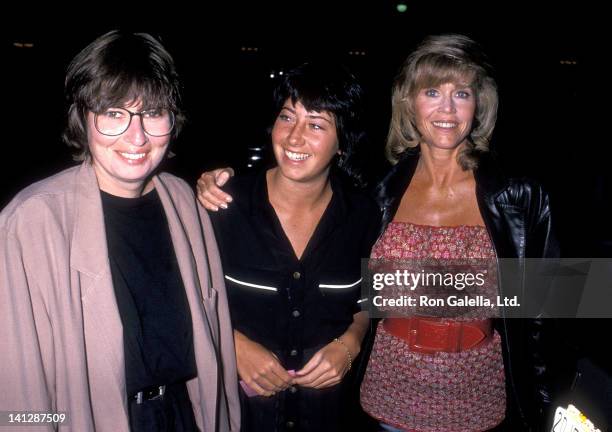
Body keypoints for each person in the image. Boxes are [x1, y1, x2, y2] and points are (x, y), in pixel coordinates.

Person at [0, 30, 239, 431]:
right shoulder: (30, 222)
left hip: (183, 414)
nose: (137, 135)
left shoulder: (184, 201)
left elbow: (214, 341)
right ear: (83, 119)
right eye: (114, 113)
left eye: (152, 113)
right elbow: (16, 395)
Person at [358, 34, 558, 432]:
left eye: (461, 93)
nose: (447, 109)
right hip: (387, 390)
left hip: (479, 395)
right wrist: (225, 188)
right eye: (432, 91)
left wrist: (545, 402)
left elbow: (549, 310)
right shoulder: (373, 188)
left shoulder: (519, 196)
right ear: (408, 103)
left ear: (478, 104)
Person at [199, 62, 381, 431]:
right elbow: (185, 293)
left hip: (328, 414)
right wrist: (230, 343)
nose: (293, 138)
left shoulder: (363, 214)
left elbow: (369, 299)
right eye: (287, 118)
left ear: (342, 143)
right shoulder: (223, 204)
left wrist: (350, 344)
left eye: (315, 125)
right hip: (237, 415)